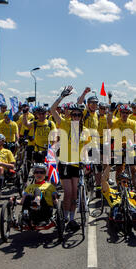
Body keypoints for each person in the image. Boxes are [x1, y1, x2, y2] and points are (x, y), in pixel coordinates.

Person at [51, 86, 91, 232]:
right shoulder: (65, 124)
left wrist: (86, 161)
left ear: (81, 117)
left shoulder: (85, 131)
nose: (75, 117)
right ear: (70, 116)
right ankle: (66, 216)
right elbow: (52, 110)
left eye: (78, 115)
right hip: (65, 162)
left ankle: (72, 219)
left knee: (75, 193)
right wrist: (62, 96)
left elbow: (85, 149)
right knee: (67, 192)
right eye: (73, 115)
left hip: (77, 164)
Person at [108, 104, 136, 192]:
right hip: (118, 147)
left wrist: (135, 143)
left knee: (133, 169)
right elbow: (109, 122)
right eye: (123, 113)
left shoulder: (133, 122)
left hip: (130, 146)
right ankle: (119, 188)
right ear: (120, 113)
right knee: (119, 169)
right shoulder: (116, 121)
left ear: (129, 114)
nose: (125, 114)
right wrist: (110, 112)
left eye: (127, 113)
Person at [101, 165, 136, 231]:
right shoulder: (112, 192)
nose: (125, 184)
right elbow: (103, 180)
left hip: (130, 208)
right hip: (117, 206)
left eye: (127, 182)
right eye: (123, 181)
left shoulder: (132, 194)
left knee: (134, 211)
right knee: (116, 210)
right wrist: (109, 166)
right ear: (119, 182)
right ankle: (118, 220)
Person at [19, 163, 59, 227]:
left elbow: (55, 200)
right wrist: (13, 201)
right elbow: (22, 201)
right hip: (32, 212)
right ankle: (25, 216)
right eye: (37, 172)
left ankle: (37, 201)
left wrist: (55, 200)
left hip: (45, 210)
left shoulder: (50, 186)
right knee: (28, 195)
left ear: (45, 174)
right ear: (34, 174)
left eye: (41, 172)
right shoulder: (30, 186)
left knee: (37, 189)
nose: (39, 174)